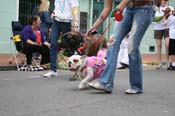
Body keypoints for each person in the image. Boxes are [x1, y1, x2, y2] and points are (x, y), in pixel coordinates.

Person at [87, 0, 154, 94]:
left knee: (132, 45)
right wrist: (94, 27)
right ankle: (105, 83)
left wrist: (123, 3)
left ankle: (136, 86)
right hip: (128, 10)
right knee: (112, 41)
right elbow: (107, 8)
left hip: (144, 8)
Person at [43, 0, 79, 77]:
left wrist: (76, 21)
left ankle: (78, 68)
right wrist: (53, 12)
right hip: (56, 21)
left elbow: (74, 8)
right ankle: (53, 70)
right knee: (53, 44)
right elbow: (55, 5)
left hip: (67, 22)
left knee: (69, 47)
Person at [153, 0, 171, 69]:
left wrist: (168, 17)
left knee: (167, 45)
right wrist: (163, 15)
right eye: (163, 1)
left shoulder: (170, 8)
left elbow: (172, 17)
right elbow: (154, 19)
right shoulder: (156, 8)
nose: (164, 2)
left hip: (167, 28)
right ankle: (159, 63)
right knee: (159, 45)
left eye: (165, 1)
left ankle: (167, 61)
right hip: (157, 28)